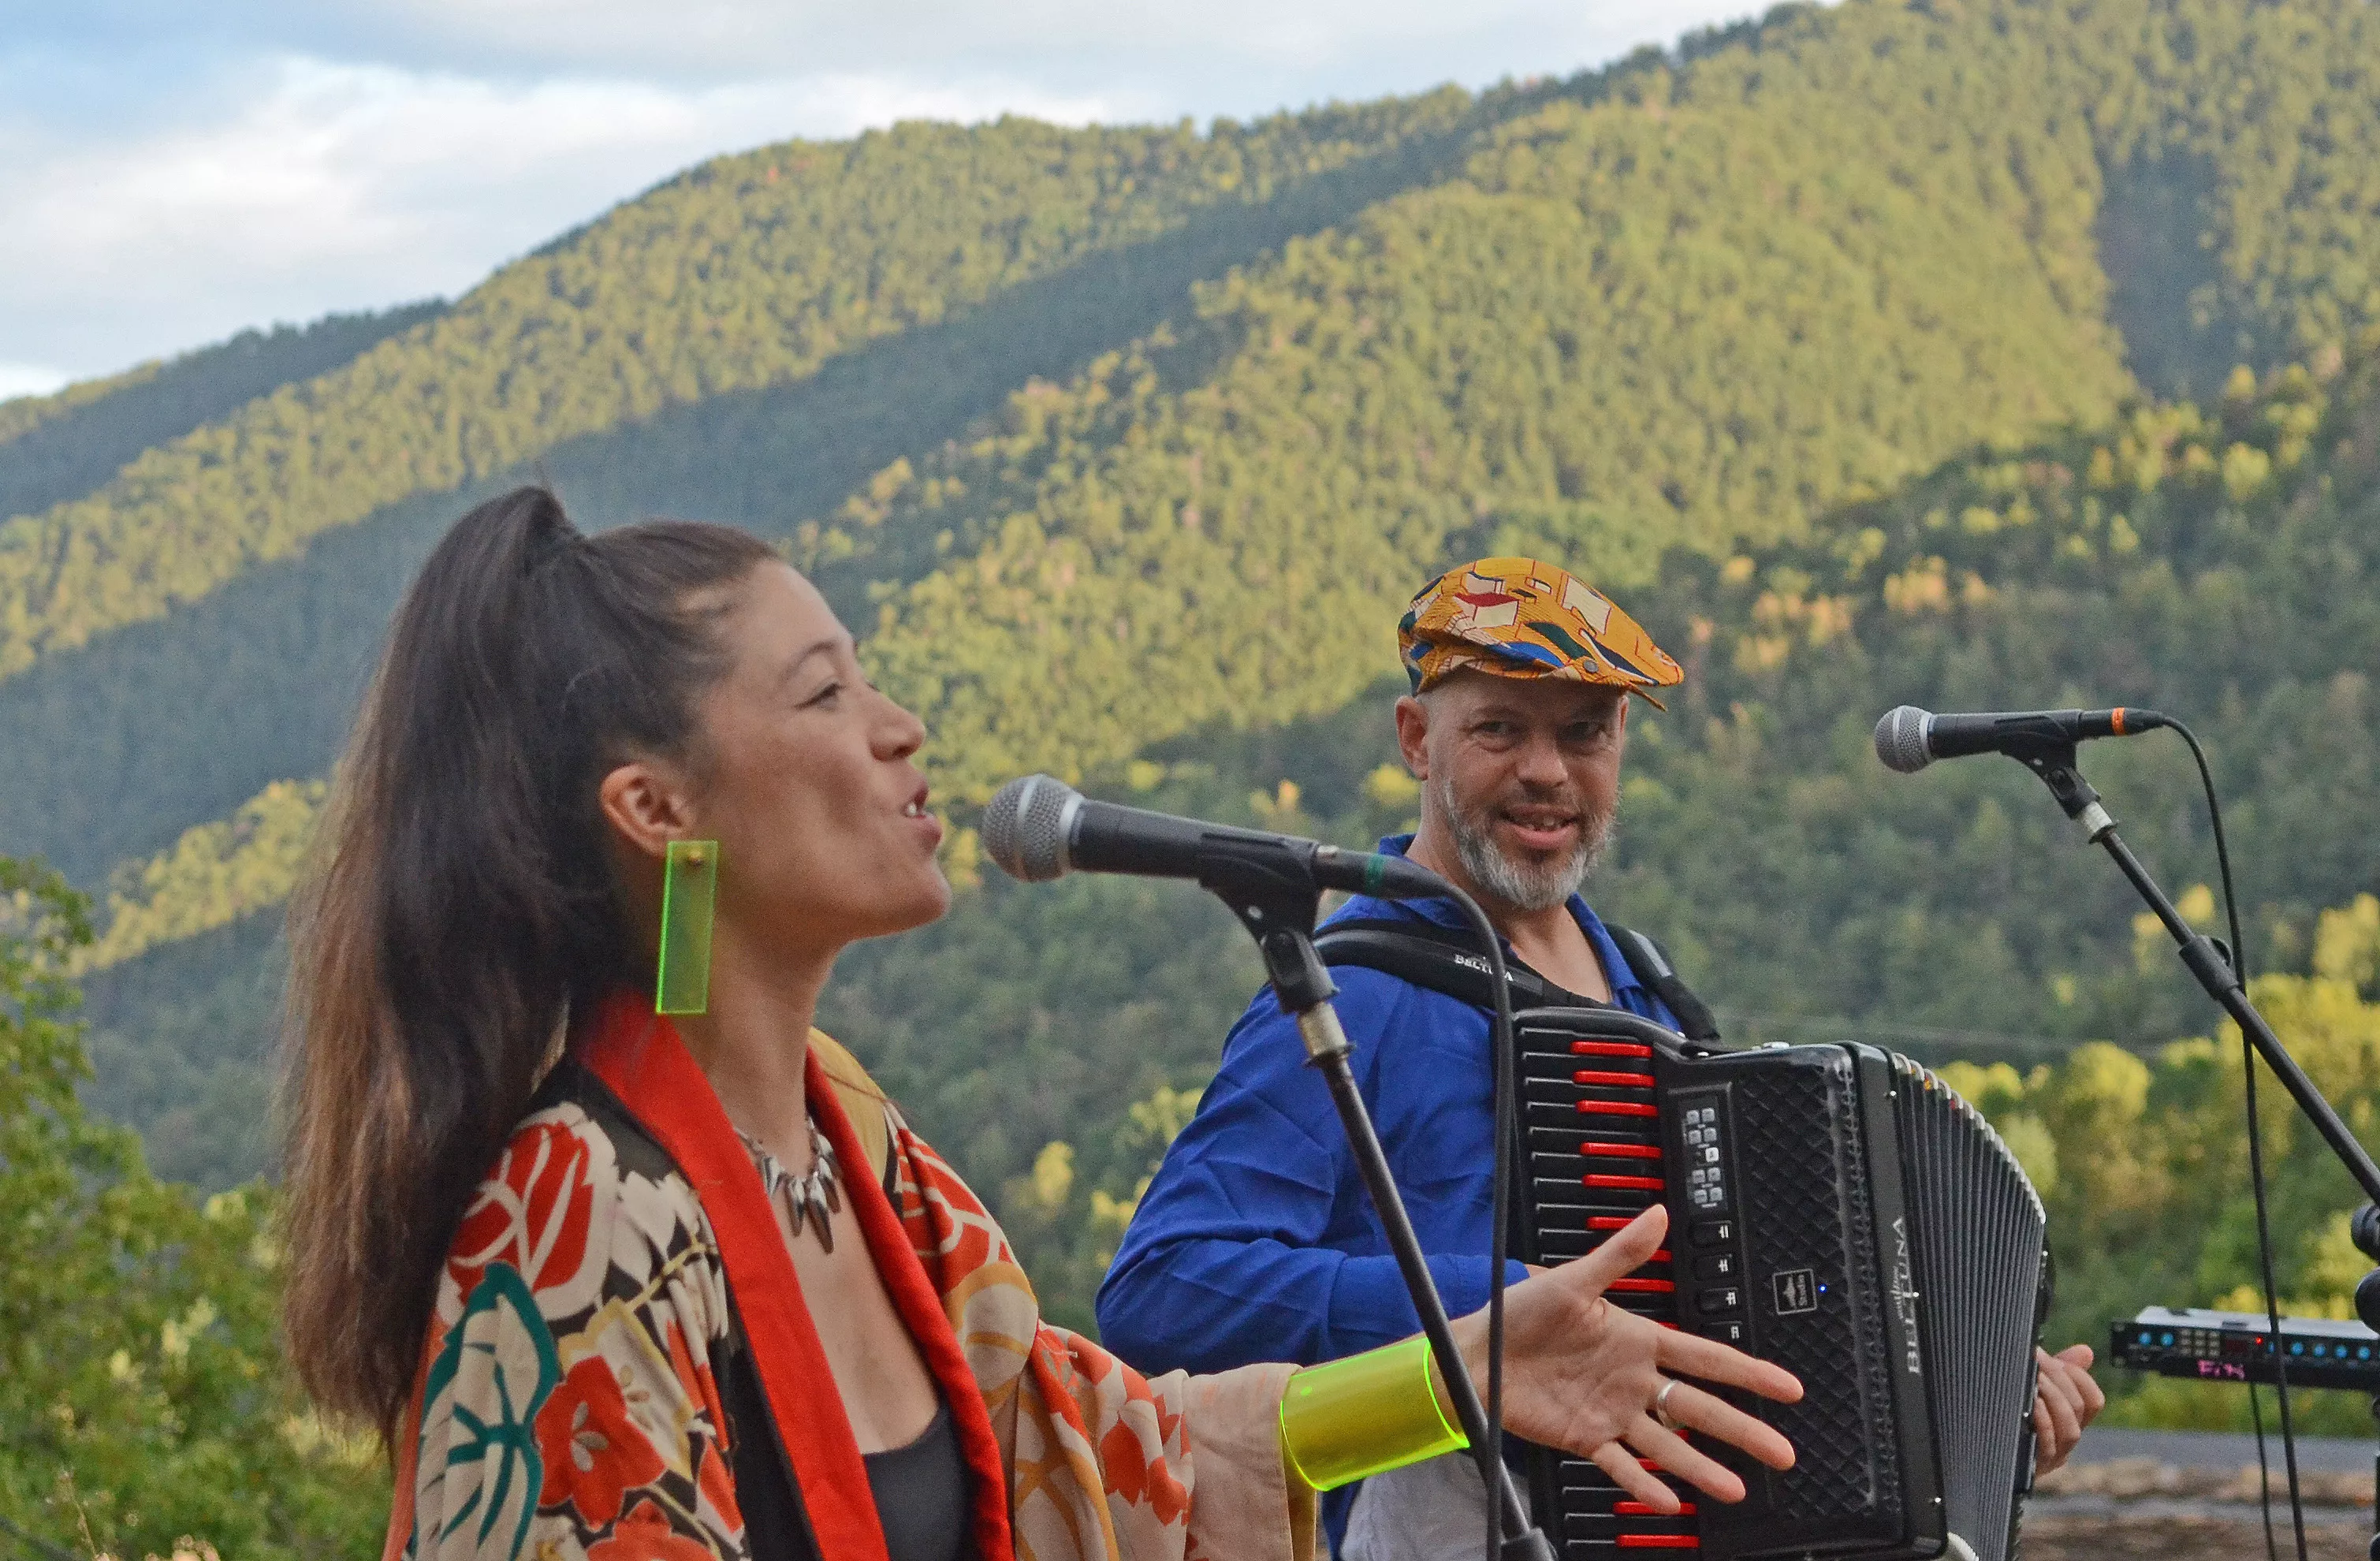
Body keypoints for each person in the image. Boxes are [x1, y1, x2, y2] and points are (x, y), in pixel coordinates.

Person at [276, 495, 1805, 1561]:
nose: (900, 727)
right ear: (657, 811)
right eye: (824, 696)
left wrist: (1464, 1365)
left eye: (873, 676)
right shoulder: (571, 1226)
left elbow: (1110, 1447)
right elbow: (1169, 1305)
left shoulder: (859, 1152)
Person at [1095, 556, 2106, 1557]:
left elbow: (1753, 1307)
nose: (1547, 771)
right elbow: (1161, 1289)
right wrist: (1493, 1316)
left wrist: (1972, 1387)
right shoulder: (1354, 991)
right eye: (1500, 728)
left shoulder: (1646, 990)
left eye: (1583, 731)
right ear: (1417, 740)